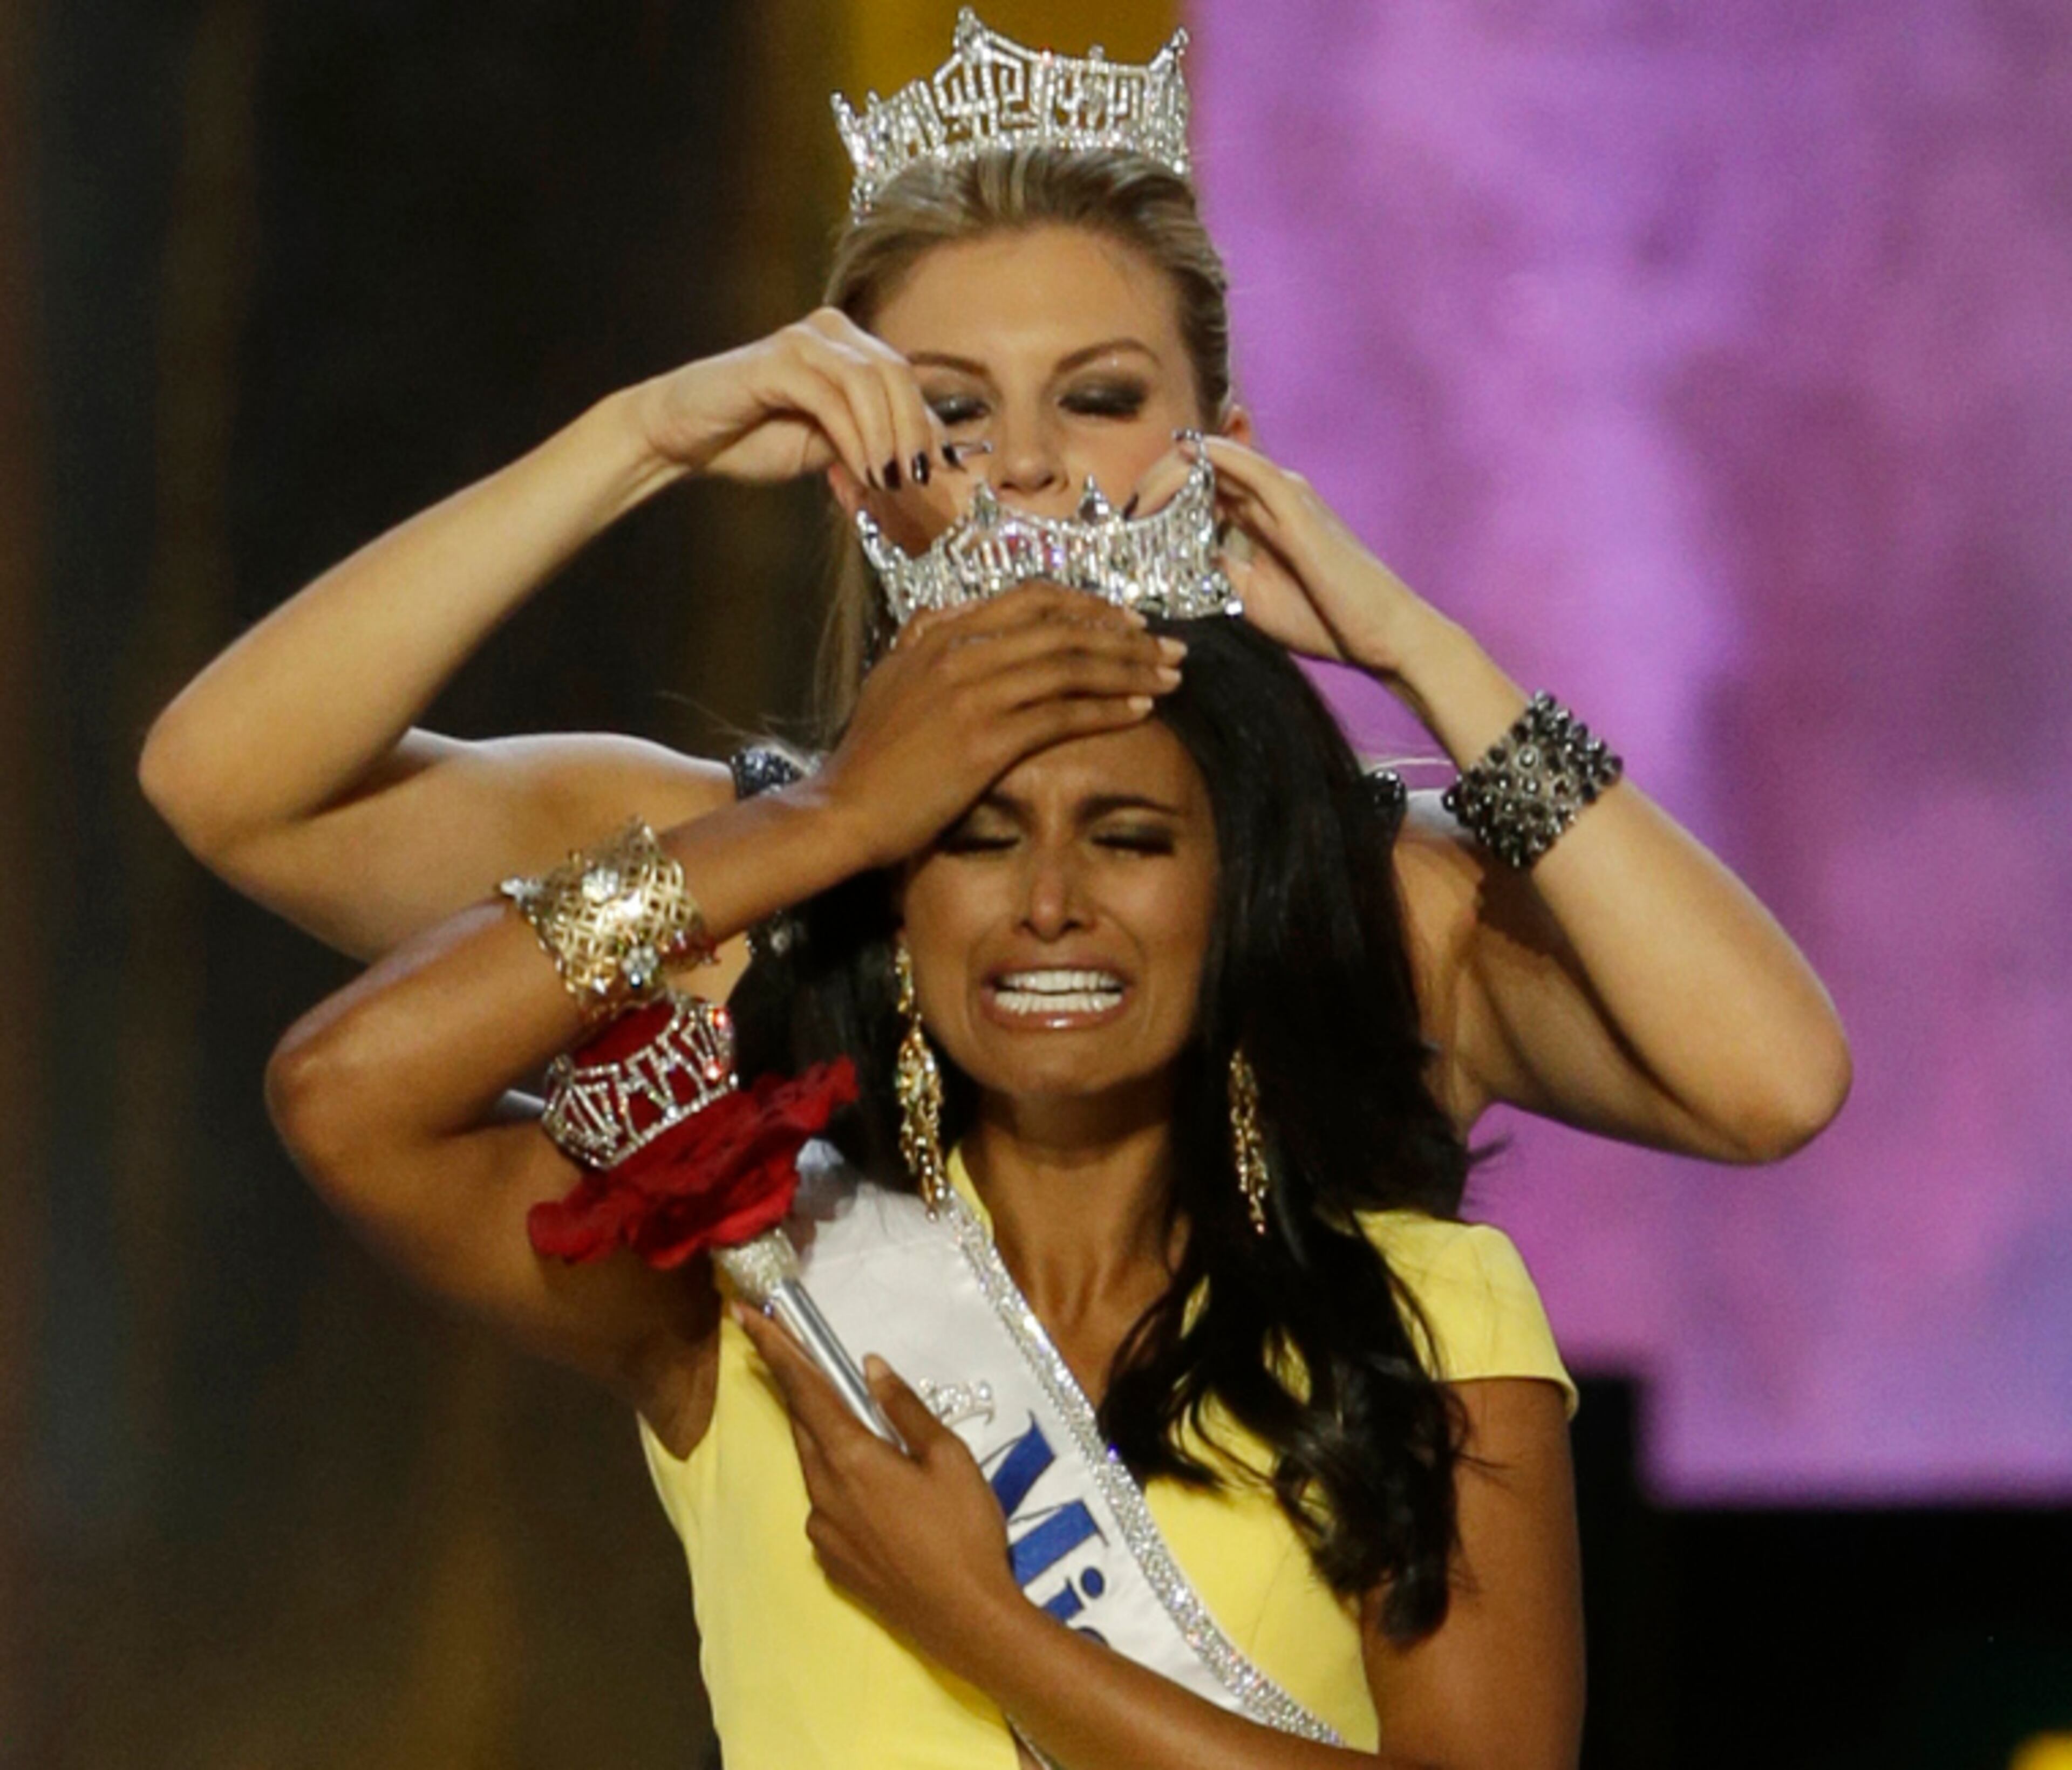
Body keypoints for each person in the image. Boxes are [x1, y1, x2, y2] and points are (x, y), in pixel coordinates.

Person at [138, 19, 1851, 1767]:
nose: (1023, 470)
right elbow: (230, 788)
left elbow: (1775, 1077)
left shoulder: (1372, 903)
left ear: (1224, 447)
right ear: (843, 446)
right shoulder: (738, 876)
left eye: (1099, 400)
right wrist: (643, 440)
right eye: (946, 410)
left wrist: (1424, 650)